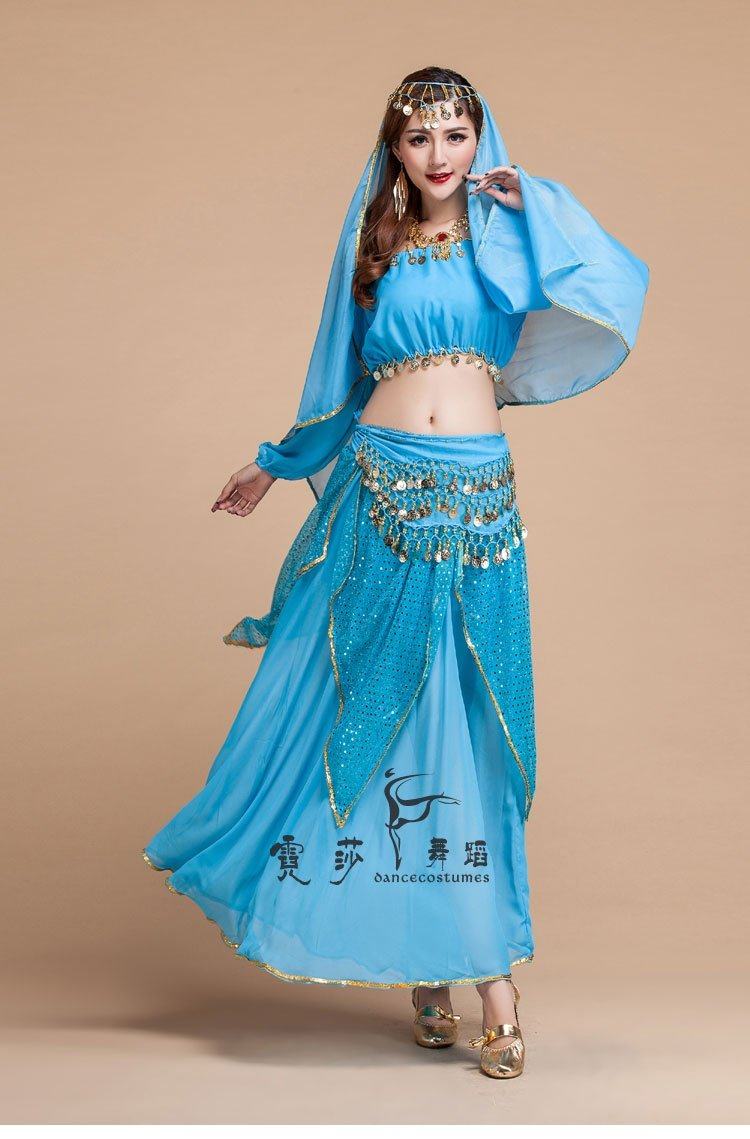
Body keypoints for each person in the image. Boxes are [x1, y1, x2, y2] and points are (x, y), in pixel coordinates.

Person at [141, 66, 649, 1079]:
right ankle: (429, 965)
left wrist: (536, 200)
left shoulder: (511, 237)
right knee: (372, 717)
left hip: (477, 505)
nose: (439, 155)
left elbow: (613, 281)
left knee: (472, 727)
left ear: (480, 140)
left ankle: (492, 981)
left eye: (456, 134)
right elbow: (338, 378)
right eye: (419, 138)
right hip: (380, 490)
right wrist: (274, 462)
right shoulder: (371, 247)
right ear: (395, 150)